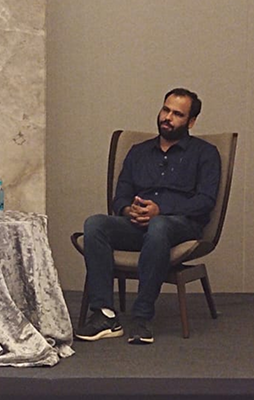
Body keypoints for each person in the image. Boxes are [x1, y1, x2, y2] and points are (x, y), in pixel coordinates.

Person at [76, 88, 221, 345]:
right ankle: (104, 315)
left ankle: (142, 317)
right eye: (166, 110)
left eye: (177, 114)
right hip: (139, 224)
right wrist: (128, 210)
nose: (168, 117)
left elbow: (205, 201)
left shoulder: (206, 153)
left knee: (159, 226)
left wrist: (160, 210)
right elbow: (120, 197)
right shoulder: (138, 152)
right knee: (95, 224)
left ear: (191, 122)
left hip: (181, 226)